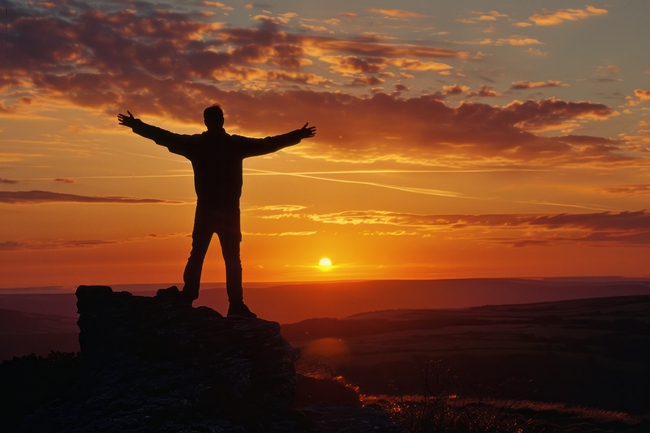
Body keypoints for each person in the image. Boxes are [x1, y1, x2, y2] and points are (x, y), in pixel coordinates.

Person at [118, 105, 316, 318]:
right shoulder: (233, 144)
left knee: (200, 255)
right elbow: (268, 144)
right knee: (230, 259)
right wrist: (297, 135)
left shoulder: (198, 145)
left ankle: (192, 297)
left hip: (207, 211)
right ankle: (235, 305)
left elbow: (165, 136)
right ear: (221, 121)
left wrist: (136, 126)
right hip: (228, 212)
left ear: (206, 121)